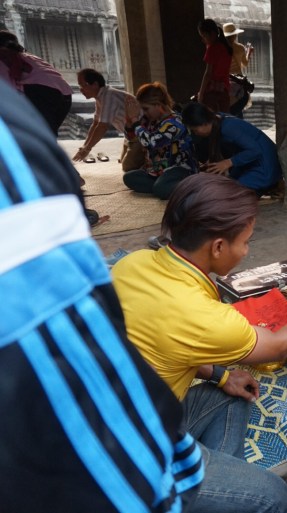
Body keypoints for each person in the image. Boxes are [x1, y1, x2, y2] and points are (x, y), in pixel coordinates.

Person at [0, 78, 204, 512]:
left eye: (148, 109)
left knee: (160, 182)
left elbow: (155, 146)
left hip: (175, 171)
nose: (144, 115)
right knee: (136, 177)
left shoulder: (170, 126)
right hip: (122, 476)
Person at [112, 173, 287, 511]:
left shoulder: (130, 264)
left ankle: (214, 493)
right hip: (133, 453)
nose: (246, 250)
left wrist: (221, 375)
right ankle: (193, 490)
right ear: (217, 247)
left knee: (232, 395)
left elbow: (166, 347)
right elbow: (277, 345)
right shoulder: (202, 316)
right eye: (245, 242)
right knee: (273, 495)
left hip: (119, 411)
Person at [182, 102, 281, 194]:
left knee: (231, 192)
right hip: (252, 163)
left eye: (195, 130)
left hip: (265, 167)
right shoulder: (218, 119)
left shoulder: (228, 128)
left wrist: (228, 162)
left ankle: (270, 185)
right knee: (226, 184)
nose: (196, 133)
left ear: (204, 123)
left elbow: (255, 150)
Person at [123, 82, 196, 199]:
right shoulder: (150, 120)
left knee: (161, 189)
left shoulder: (175, 122)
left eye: (146, 109)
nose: (144, 113)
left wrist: (135, 120)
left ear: (158, 105)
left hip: (179, 169)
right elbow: (132, 138)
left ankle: (188, 185)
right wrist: (129, 123)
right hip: (157, 171)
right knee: (129, 177)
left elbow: (151, 143)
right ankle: (162, 186)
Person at [0, 30, 72, 136]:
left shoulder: (3, 60)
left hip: (40, 93)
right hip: (65, 96)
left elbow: (7, 91)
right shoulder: (31, 58)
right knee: (47, 134)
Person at [73, 68, 145, 171]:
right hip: (129, 134)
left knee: (128, 167)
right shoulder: (101, 97)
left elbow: (102, 126)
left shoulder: (109, 96)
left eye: (83, 85)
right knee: (124, 161)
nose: (81, 89)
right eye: (79, 86)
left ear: (95, 84)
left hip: (142, 134)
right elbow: (95, 124)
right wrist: (84, 147)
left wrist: (87, 149)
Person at [197, 19, 233, 113]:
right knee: (224, 117)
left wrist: (201, 94)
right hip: (224, 90)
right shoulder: (226, 47)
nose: (202, 40)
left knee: (210, 118)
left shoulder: (212, 49)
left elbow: (208, 73)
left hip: (212, 92)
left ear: (212, 34)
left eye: (204, 36)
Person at [224, 22, 254, 119]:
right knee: (238, 105)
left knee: (229, 105)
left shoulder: (222, 48)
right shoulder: (240, 48)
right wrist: (249, 52)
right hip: (238, 80)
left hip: (226, 81)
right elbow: (244, 64)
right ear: (235, 35)